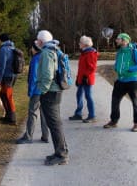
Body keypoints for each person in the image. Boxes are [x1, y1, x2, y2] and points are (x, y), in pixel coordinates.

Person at [36, 30, 69, 166]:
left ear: (41, 41)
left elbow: (48, 74)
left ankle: (61, 155)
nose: (37, 42)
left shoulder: (46, 52)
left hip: (50, 92)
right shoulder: (54, 49)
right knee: (55, 124)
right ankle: (60, 152)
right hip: (55, 91)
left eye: (38, 40)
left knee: (54, 125)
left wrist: (42, 91)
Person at [103, 33, 137, 132]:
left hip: (133, 81)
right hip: (121, 80)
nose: (116, 40)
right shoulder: (119, 52)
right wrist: (116, 67)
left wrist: (129, 69)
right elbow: (117, 63)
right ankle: (114, 121)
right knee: (115, 101)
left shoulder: (134, 51)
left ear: (124, 40)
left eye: (118, 39)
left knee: (136, 103)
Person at [16, 42, 49, 144]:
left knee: (32, 113)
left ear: (35, 49)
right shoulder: (45, 57)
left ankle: (28, 136)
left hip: (37, 90)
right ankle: (45, 135)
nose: (31, 49)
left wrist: (30, 91)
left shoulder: (35, 59)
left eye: (32, 47)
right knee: (44, 113)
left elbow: (33, 77)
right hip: (45, 89)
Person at [69, 36, 99, 123]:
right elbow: (81, 68)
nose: (79, 44)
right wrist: (78, 78)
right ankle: (78, 114)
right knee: (79, 94)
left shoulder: (90, 53)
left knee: (88, 96)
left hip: (87, 79)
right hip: (82, 79)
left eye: (80, 42)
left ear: (85, 44)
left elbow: (92, 68)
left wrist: (85, 77)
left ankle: (92, 115)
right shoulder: (84, 53)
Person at [0, 33, 17, 125]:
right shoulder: (12, 47)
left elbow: (2, 65)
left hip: (7, 76)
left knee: (8, 96)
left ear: (1, 40)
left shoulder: (4, 49)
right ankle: (8, 116)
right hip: (13, 75)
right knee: (3, 94)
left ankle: (12, 119)